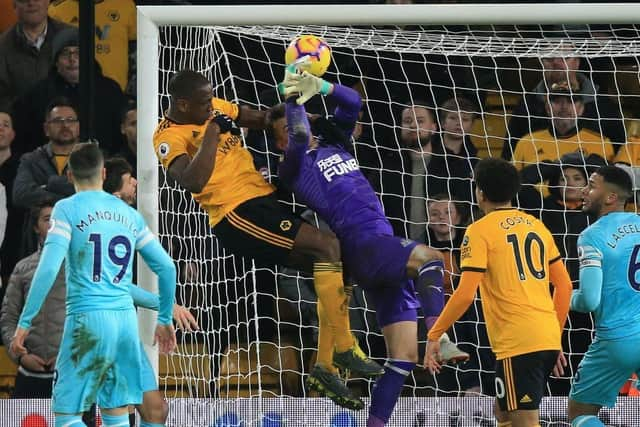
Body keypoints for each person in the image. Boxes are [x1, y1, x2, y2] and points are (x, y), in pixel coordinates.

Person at [152, 69, 382, 409]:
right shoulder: (166, 136)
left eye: (210, 101)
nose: (210, 108)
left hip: (263, 201)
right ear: (182, 104)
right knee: (327, 246)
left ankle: (324, 369)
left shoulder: (211, 106)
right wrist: (214, 132)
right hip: (236, 214)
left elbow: (259, 118)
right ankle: (345, 347)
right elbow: (192, 182)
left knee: (339, 263)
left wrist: (293, 105)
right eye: (203, 105)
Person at [277, 65, 469, 422]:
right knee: (432, 258)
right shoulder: (292, 168)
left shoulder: (336, 143)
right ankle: (439, 335)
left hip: (376, 253)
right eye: (286, 130)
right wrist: (292, 97)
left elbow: (352, 102)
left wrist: (319, 84)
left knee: (403, 359)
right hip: (364, 244)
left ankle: (374, 422)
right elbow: (300, 134)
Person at [9, 142, 177, 427]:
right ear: (102, 171)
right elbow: (167, 267)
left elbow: (49, 267)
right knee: (115, 413)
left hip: (87, 320)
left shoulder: (66, 209)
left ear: (70, 176)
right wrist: (163, 318)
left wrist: (24, 323)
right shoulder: (129, 215)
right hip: (125, 322)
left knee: (67, 416)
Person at [425, 158, 573, 427]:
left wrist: (435, 334)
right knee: (502, 411)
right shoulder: (536, 226)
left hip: (518, 341)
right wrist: (555, 334)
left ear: (479, 192)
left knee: (524, 421)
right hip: (545, 335)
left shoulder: (479, 231)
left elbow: (465, 293)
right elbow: (564, 286)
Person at [567, 166, 640, 427]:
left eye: (592, 185)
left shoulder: (592, 235)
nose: (584, 191)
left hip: (617, 339)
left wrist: (562, 298)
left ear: (611, 197)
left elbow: (589, 300)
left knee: (579, 414)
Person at [503, 52, 625, 160]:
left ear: (577, 62)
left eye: (565, 57)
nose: (556, 62)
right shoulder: (526, 106)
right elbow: (508, 157)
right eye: (550, 57)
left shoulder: (605, 107)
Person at [511, 81, 615, 171]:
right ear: (548, 108)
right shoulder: (526, 142)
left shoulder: (601, 143)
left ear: (581, 109)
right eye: (557, 101)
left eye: (571, 101)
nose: (564, 107)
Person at [0, 0, 72, 111]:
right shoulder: (3, 46)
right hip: (21, 123)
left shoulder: (72, 37)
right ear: (14, 5)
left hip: (68, 123)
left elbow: (90, 84)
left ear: (48, 2)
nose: (31, 2)